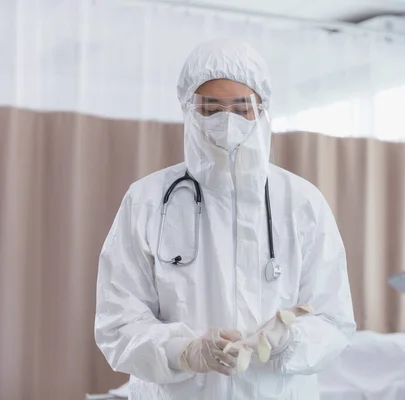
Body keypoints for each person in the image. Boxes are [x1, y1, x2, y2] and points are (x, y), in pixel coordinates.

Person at [94, 38, 356, 400]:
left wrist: (289, 341)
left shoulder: (302, 202)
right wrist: (183, 352)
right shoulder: (147, 201)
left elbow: (334, 320)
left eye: (240, 107)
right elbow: (118, 323)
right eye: (211, 108)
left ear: (261, 110)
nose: (226, 120)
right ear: (189, 108)